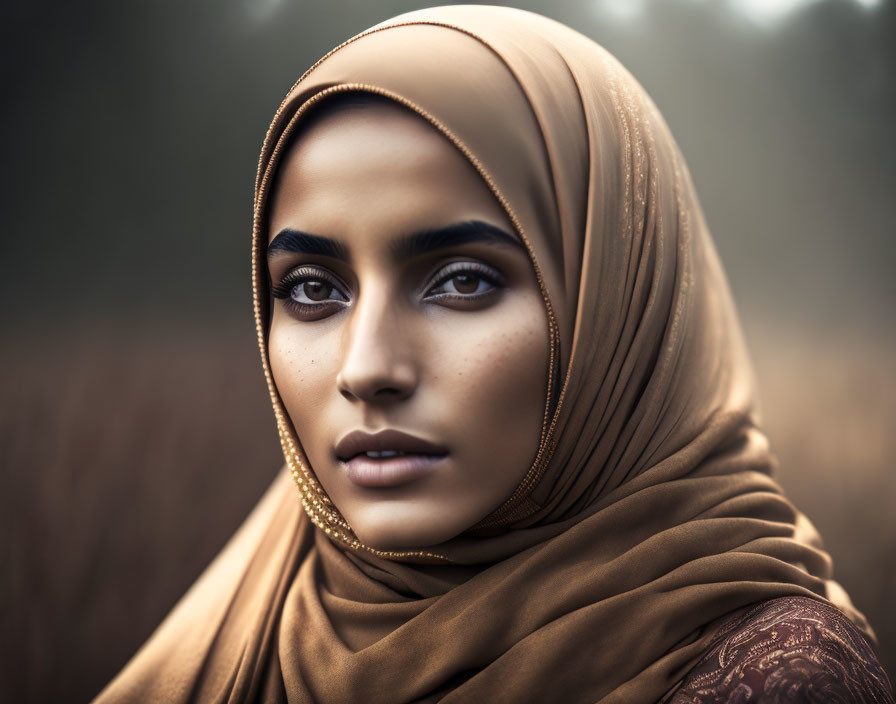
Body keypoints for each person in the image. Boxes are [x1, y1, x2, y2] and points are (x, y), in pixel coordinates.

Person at [94, 6, 893, 702]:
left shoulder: (781, 678)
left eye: (462, 280)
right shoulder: (255, 630)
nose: (365, 368)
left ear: (615, 307)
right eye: (311, 289)